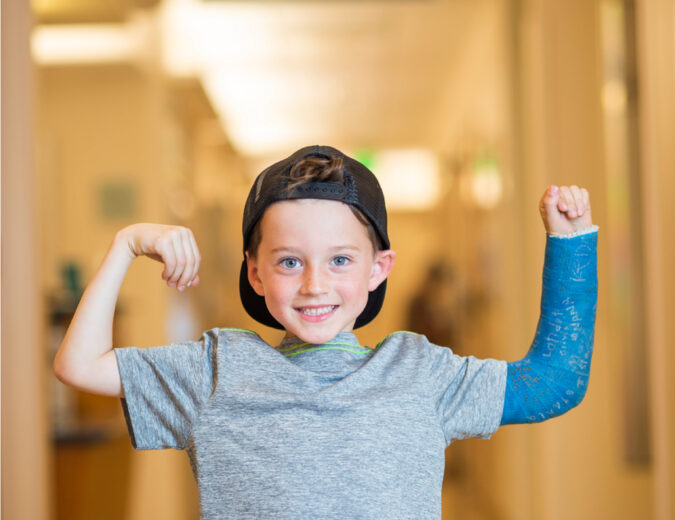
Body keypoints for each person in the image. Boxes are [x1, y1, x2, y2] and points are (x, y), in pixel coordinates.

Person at [54, 145, 598, 519]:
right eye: (290, 262)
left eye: (340, 259)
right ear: (255, 271)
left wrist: (573, 248)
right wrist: (126, 244)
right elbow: (78, 366)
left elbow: (555, 382)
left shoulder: (420, 372)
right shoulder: (214, 373)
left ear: (378, 268)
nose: (315, 284)